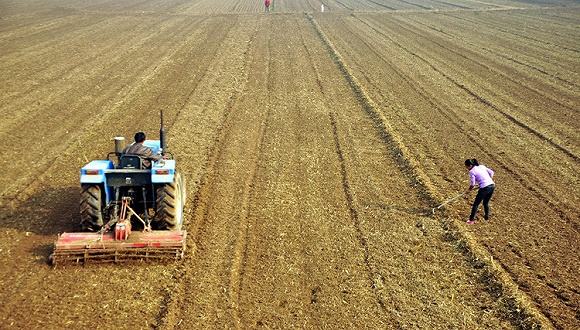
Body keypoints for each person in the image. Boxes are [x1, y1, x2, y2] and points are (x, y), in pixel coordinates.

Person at [464, 158, 495, 224]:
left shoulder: (471, 171)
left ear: (469, 165)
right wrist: (488, 180)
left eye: (466, 166)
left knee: (476, 204)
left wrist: (468, 190)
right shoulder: (481, 166)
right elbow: (492, 172)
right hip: (492, 185)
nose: (466, 168)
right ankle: (487, 216)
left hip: (484, 188)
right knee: (485, 203)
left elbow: (472, 184)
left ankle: (471, 220)